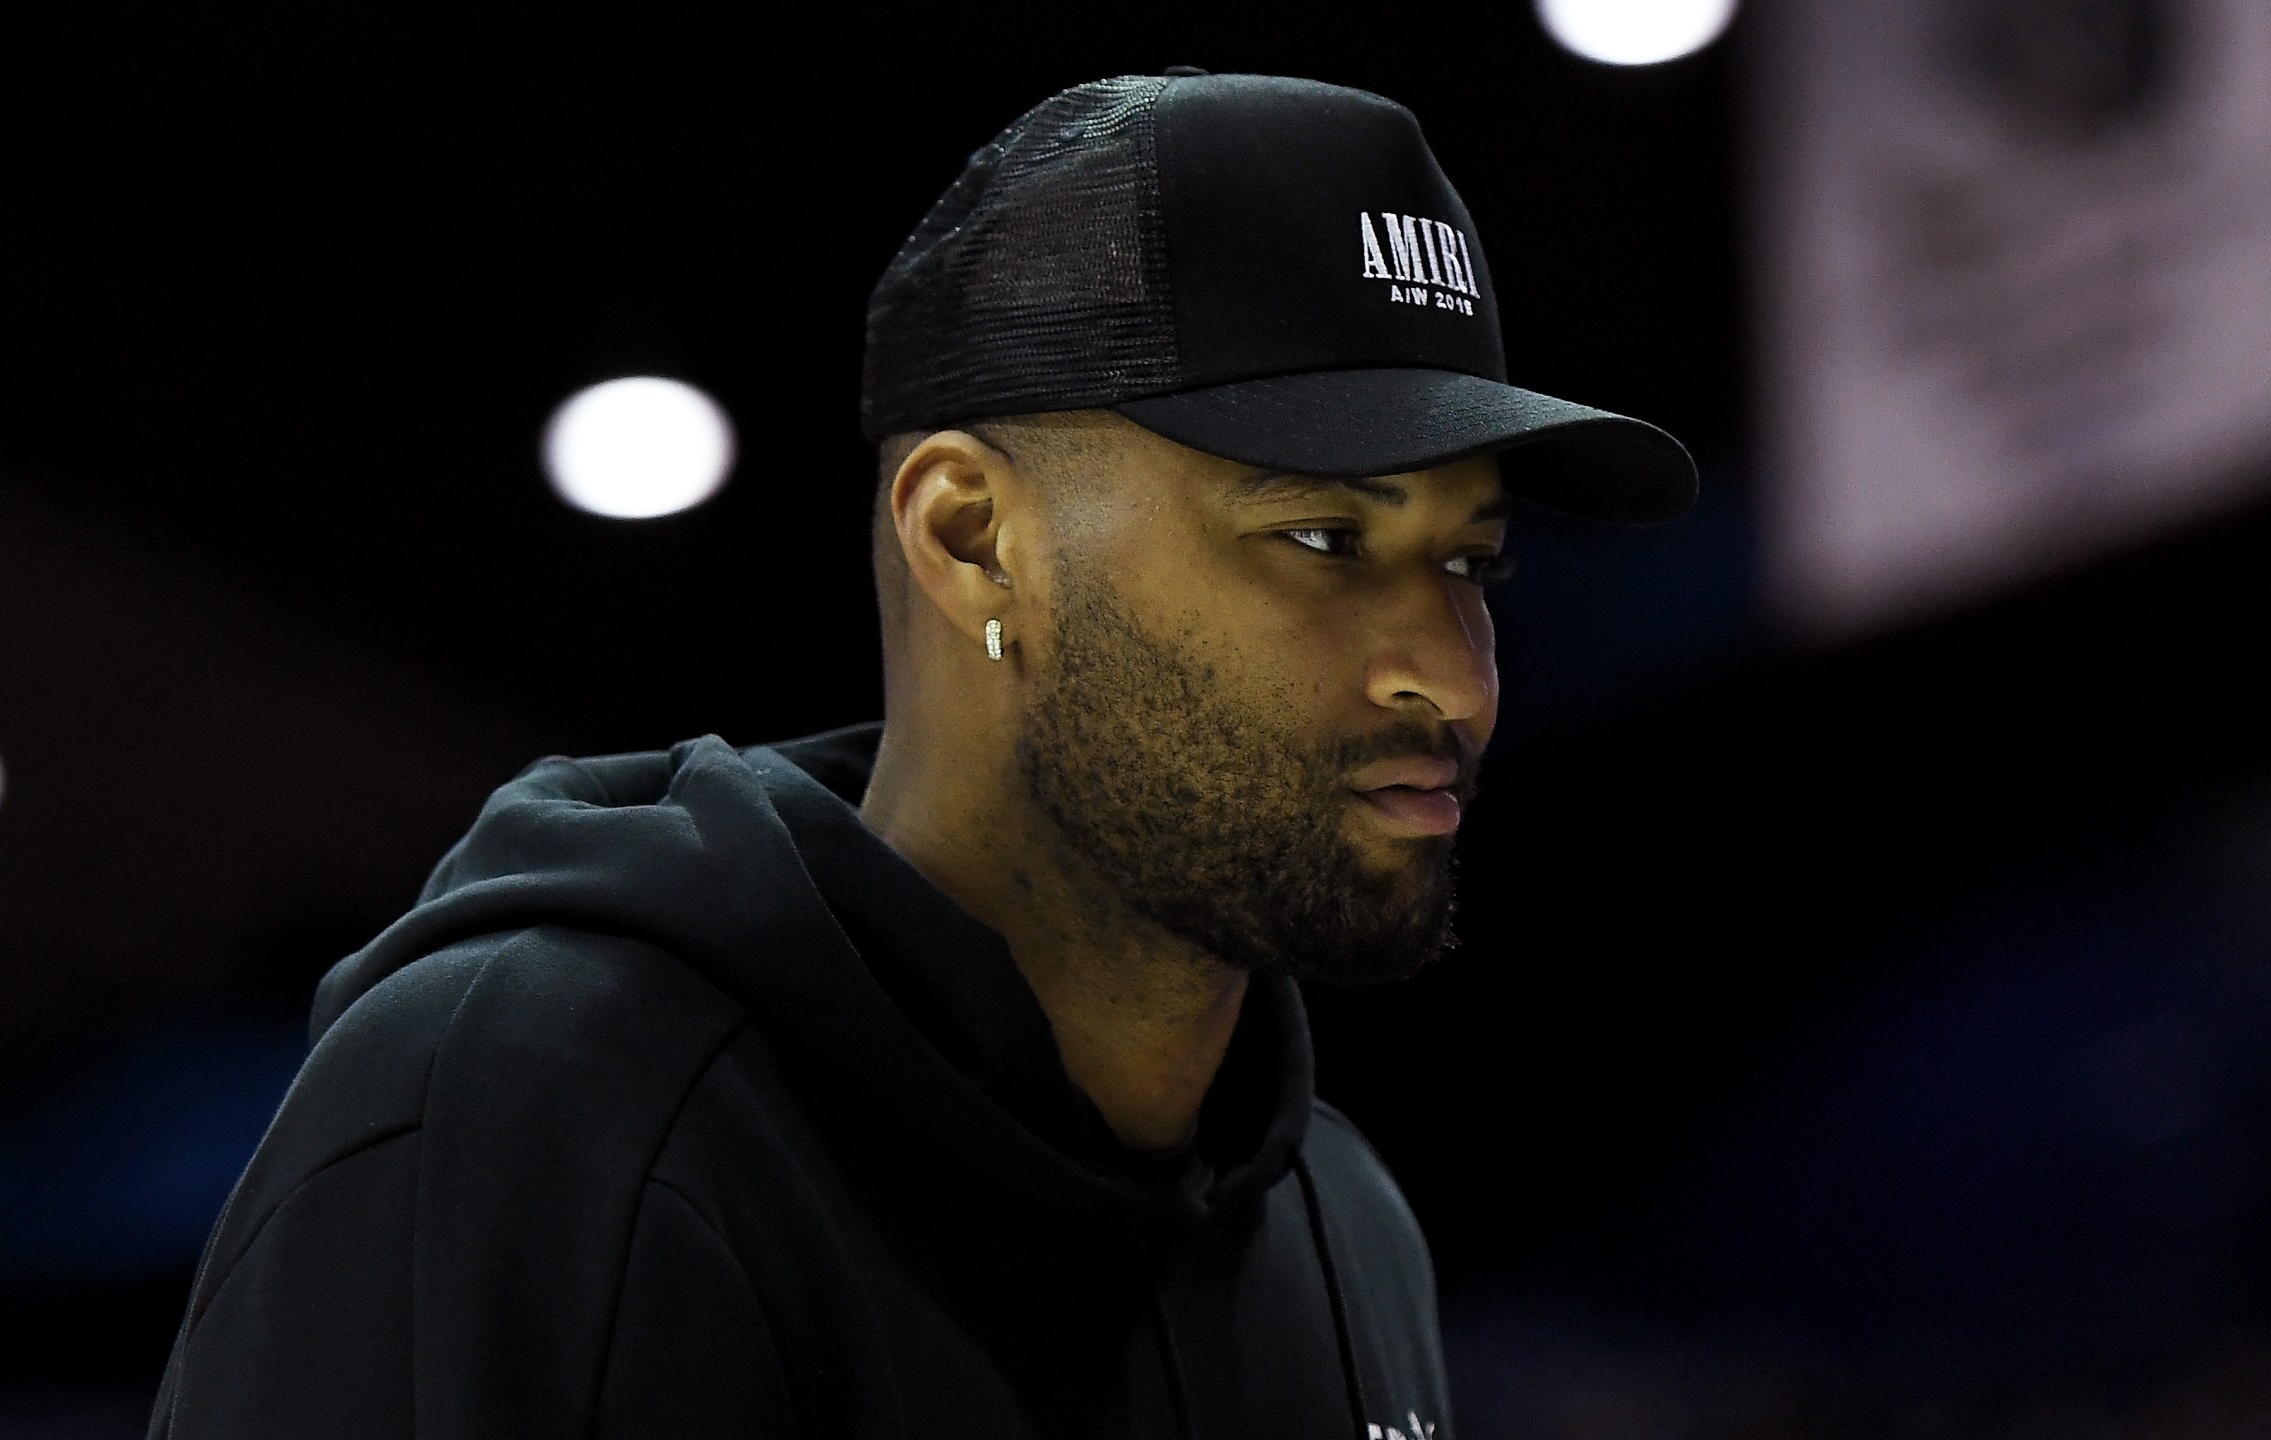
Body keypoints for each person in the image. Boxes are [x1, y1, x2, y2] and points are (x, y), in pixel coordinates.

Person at [146, 70, 1695, 1440]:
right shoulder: (537, 1120)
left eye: (1471, 565)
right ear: (973, 538)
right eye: (1320, 535)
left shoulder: (1343, 1231)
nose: (1453, 680)